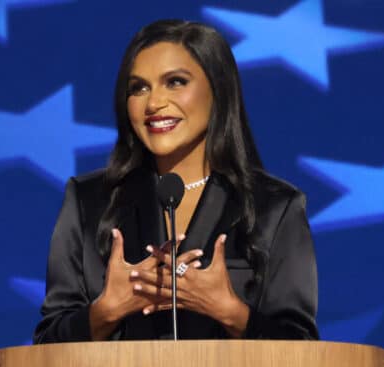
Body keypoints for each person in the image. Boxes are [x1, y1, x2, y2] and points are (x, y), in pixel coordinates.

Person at [33, 19, 318, 342]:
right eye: (138, 87)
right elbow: (46, 347)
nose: (153, 103)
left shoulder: (274, 208)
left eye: (175, 82)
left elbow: (303, 350)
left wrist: (229, 311)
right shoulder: (88, 202)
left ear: (218, 90)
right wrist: (107, 311)